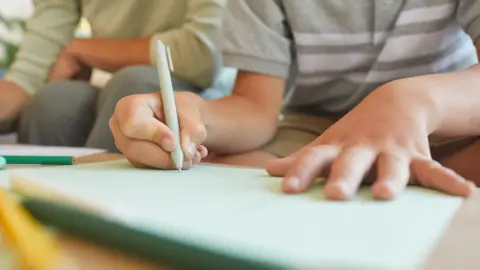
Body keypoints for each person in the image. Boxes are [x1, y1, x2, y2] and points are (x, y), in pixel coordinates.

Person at [110, 0, 480, 200]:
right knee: (229, 179)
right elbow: (255, 109)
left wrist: (408, 101)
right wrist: (193, 116)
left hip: (447, 122)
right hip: (314, 131)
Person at [0, 0, 232, 152]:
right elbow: (29, 74)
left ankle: (103, 215)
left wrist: (83, 49)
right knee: (54, 102)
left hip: (210, 92)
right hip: (121, 81)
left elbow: (205, 53)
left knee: (136, 86)